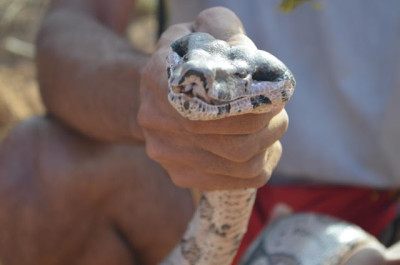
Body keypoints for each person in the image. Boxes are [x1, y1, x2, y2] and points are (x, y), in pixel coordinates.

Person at [0, 0, 399, 264]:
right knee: (33, 163)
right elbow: (72, 23)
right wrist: (145, 94)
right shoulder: (192, 76)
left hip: (374, 215)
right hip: (179, 187)